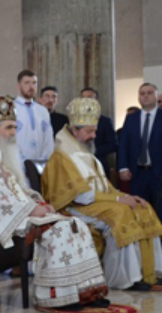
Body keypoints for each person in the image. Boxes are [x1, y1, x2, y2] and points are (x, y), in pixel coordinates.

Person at [0, 96, 108, 309]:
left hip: (20, 214)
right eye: (8, 128)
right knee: (58, 231)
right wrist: (30, 211)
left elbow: (19, 189)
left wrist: (38, 203)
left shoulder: (2, 153)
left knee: (77, 225)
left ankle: (86, 292)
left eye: (14, 127)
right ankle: (56, 296)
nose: (13, 133)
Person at [42, 97, 162, 290]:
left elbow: (104, 185)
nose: (94, 135)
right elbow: (80, 195)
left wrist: (127, 197)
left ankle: (150, 272)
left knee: (142, 206)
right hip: (75, 207)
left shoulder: (87, 153)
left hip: (96, 203)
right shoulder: (62, 156)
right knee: (120, 214)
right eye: (89, 131)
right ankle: (126, 278)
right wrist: (118, 199)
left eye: (94, 131)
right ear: (74, 131)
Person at [118, 83, 162, 215]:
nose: (146, 96)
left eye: (149, 93)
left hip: (159, 174)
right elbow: (124, 144)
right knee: (140, 211)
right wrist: (123, 167)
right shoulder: (131, 118)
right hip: (137, 174)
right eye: (142, 94)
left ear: (156, 96)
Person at [14, 70, 54, 166]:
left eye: (34, 83)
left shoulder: (43, 111)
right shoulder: (11, 108)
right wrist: (21, 162)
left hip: (41, 165)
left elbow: (48, 140)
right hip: (18, 165)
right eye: (27, 83)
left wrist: (44, 162)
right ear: (18, 85)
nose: (31, 87)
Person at [79, 87, 117, 178]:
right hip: (79, 166)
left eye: (90, 98)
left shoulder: (105, 121)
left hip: (99, 165)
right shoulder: (75, 121)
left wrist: (93, 151)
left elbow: (113, 144)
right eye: (83, 98)